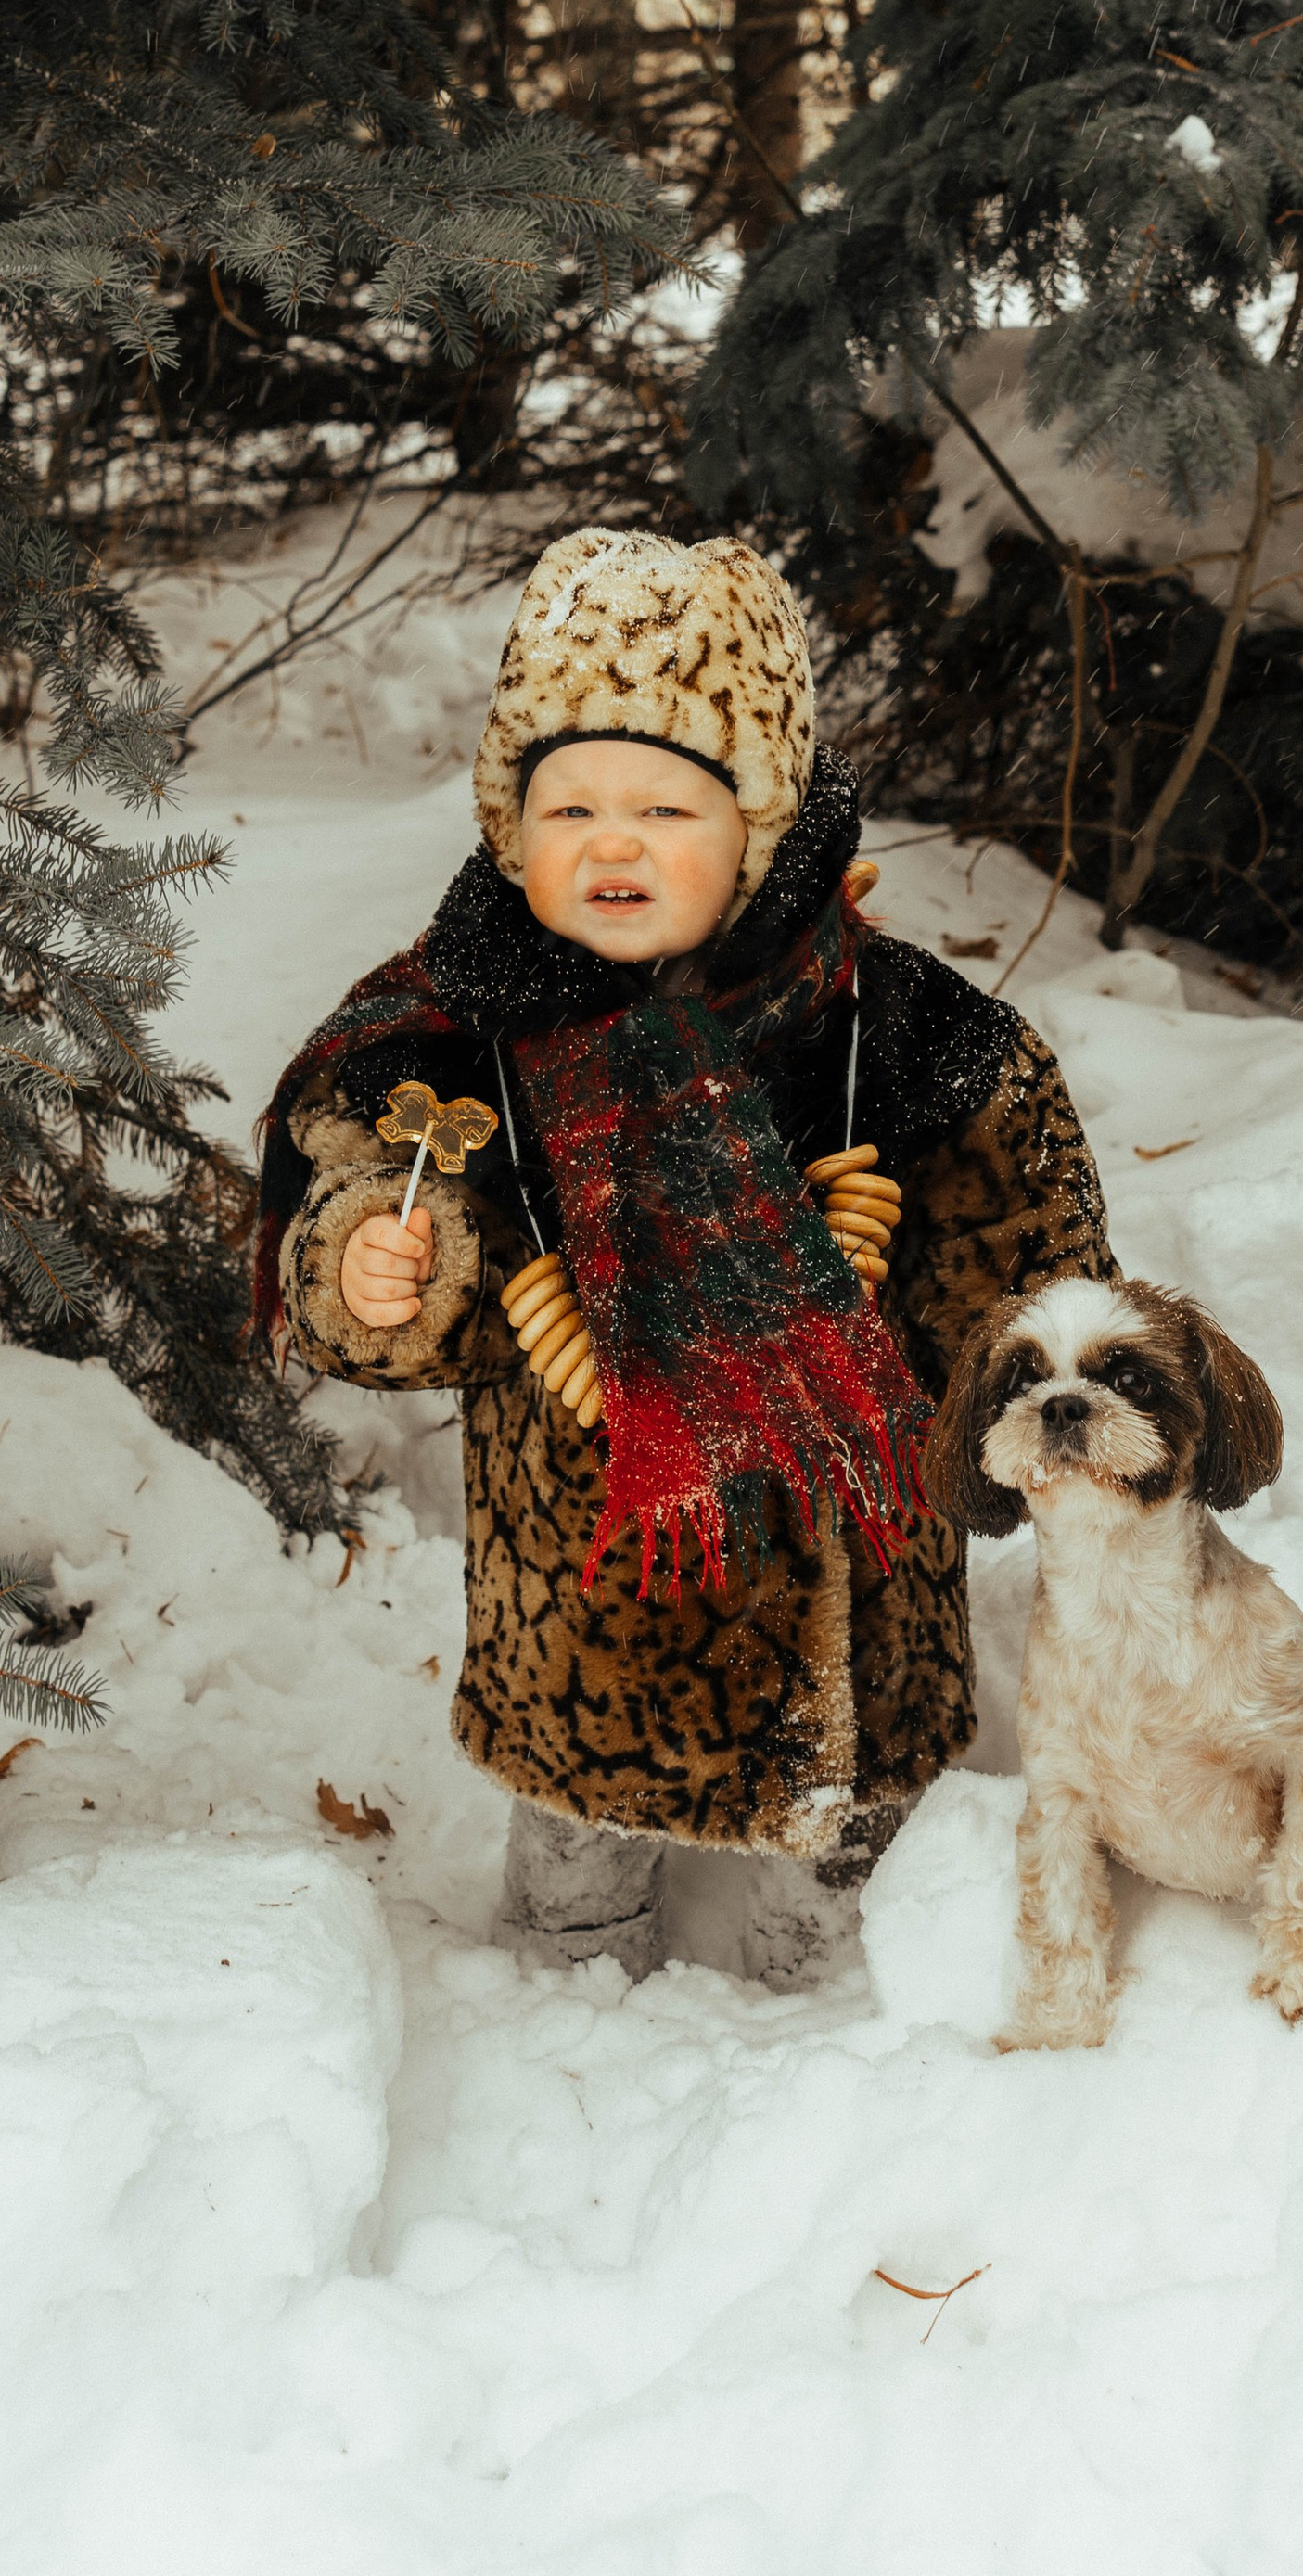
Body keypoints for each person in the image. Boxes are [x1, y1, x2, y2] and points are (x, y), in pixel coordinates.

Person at [253, 527, 1114, 1987]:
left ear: (762, 825)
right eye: (568, 800)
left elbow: (1025, 1241)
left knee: (843, 1868)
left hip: (847, 1551)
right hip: (592, 1585)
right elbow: (369, 1203)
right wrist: (373, 1273)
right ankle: (564, 1973)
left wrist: (1012, 1382)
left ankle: (825, 1983)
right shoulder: (456, 1036)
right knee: (576, 1847)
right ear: (508, 821)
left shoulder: (899, 1034)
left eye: (667, 803)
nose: (612, 841)